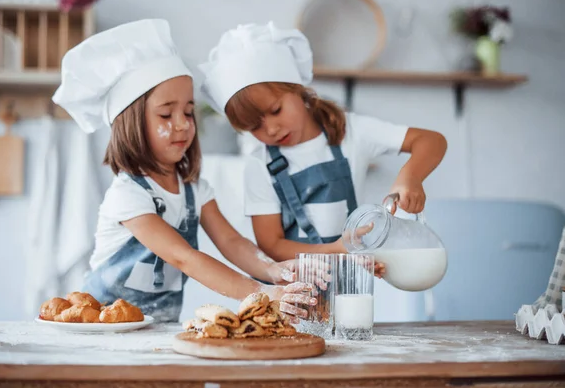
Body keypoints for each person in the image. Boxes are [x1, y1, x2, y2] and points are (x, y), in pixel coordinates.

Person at [52, 19, 315, 323]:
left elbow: (231, 242)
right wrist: (262, 292)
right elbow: (184, 258)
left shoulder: (194, 189)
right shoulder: (128, 195)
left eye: (189, 112)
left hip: (157, 329)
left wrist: (272, 269)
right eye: (166, 114)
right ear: (130, 123)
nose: (183, 124)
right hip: (102, 327)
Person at [199, 22, 447, 266]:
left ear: (297, 89)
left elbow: (431, 140)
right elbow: (271, 245)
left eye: (276, 110)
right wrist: (333, 250)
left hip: (348, 284)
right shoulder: (259, 164)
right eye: (254, 127)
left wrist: (410, 177)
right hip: (294, 291)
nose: (271, 129)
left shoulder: (352, 131)